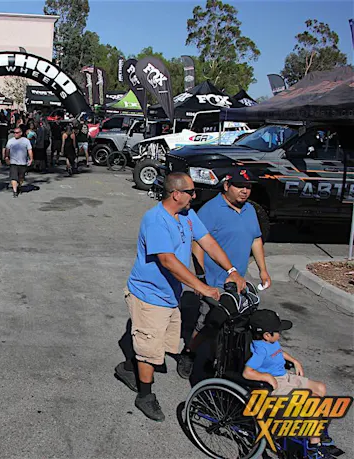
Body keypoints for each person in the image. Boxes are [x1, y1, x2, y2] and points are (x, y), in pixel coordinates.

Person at [116, 172, 247, 422]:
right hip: (149, 296)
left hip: (169, 294)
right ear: (176, 194)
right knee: (149, 349)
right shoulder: (156, 220)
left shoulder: (187, 215)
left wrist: (232, 271)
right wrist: (202, 287)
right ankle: (145, 395)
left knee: (158, 344)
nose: (194, 196)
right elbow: (167, 260)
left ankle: (128, 367)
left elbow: (207, 241)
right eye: (191, 191)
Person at [177, 169, 272, 379]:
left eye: (248, 187)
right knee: (208, 322)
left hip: (237, 282)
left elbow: (256, 239)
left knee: (233, 324)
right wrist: (200, 279)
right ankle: (190, 353)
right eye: (239, 186)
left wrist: (263, 270)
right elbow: (198, 243)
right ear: (227, 186)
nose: (244, 191)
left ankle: (219, 359)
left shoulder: (249, 210)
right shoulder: (211, 210)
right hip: (215, 281)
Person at [243, 309, 329, 453]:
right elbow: (247, 372)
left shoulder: (271, 342)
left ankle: (314, 428)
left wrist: (295, 361)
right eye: (278, 331)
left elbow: (279, 352)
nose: (280, 333)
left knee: (321, 388)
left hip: (285, 376)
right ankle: (314, 445)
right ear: (267, 335)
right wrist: (266, 377)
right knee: (313, 400)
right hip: (275, 385)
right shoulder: (260, 350)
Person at [4, 127, 33, 198]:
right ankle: (15, 191)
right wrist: (6, 157)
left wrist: (31, 159)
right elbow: (7, 150)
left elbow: (29, 150)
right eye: (14, 133)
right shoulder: (10, 141)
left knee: (21, 177)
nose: (15, 134)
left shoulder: (26, 141)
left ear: (21, 133)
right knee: (13, 177)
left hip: (23, 162)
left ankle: (19, 186)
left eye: (17, 133)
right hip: (13, 162)